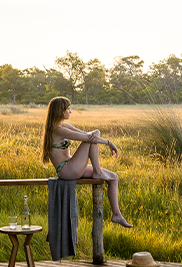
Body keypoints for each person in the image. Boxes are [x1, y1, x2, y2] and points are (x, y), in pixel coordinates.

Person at [40, 96, 133, 228]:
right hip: (67, 170)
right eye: (68, 109)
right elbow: (88, 137)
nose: (70, 111)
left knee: (113, 178)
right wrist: (108, 142)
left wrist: (98, 135)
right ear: (60, 111)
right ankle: (98, 172)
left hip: (73, 165)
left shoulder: (63, 125)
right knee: (93, 138)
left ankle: (117, 214)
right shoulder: (57, 130)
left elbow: (88, 134)